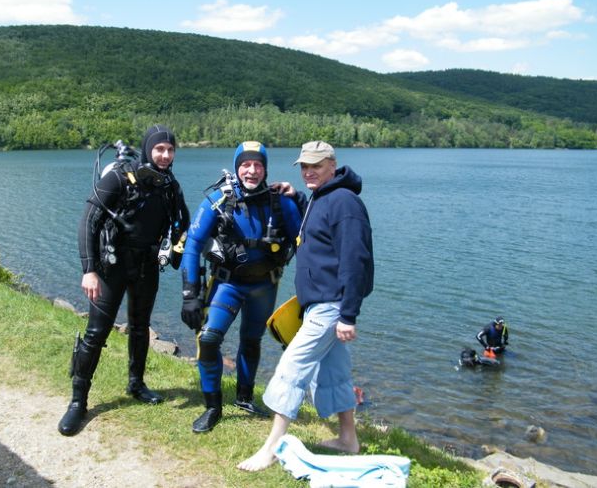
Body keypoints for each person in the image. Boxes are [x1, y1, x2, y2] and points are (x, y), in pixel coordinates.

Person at [238, 140, 374, 472]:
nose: (309, 172)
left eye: (316, 166)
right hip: (320, 304)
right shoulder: (321, 197)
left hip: (331, 306)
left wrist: (348, 315)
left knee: (291, 369)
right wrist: (297, 196)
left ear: (333, 166)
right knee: (334, 372)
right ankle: (348, 439)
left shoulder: (345, 203)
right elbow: (317, 230)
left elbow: (355, 261)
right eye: (304, 166)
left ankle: (272, 448)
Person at [58, 125, 190, 437]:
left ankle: (136, 384)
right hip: (111, 266)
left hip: (146, 265)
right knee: (96, 332)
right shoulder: (118, 177)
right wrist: (88, 270)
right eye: (159, 149)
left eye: (170, 150)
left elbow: (183, 222)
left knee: (140, 327)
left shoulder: (169, 185)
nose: (165, 155)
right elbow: (88, 222)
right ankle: (78, 401)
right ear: (148, 149)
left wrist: (178, 249)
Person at [179, 141, 303, 433]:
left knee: (251, 340)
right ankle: (213, 407)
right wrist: (189, 294)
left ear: (265, 170)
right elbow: (192, 245)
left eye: (258, 165)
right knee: (209, 339)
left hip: (265, 286)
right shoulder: (218, 201)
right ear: (237, 168)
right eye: (245, 164)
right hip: (228, 284)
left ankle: (244, 398)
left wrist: (314, 291)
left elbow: (304, 243)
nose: (252, 170)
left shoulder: (281, 203)